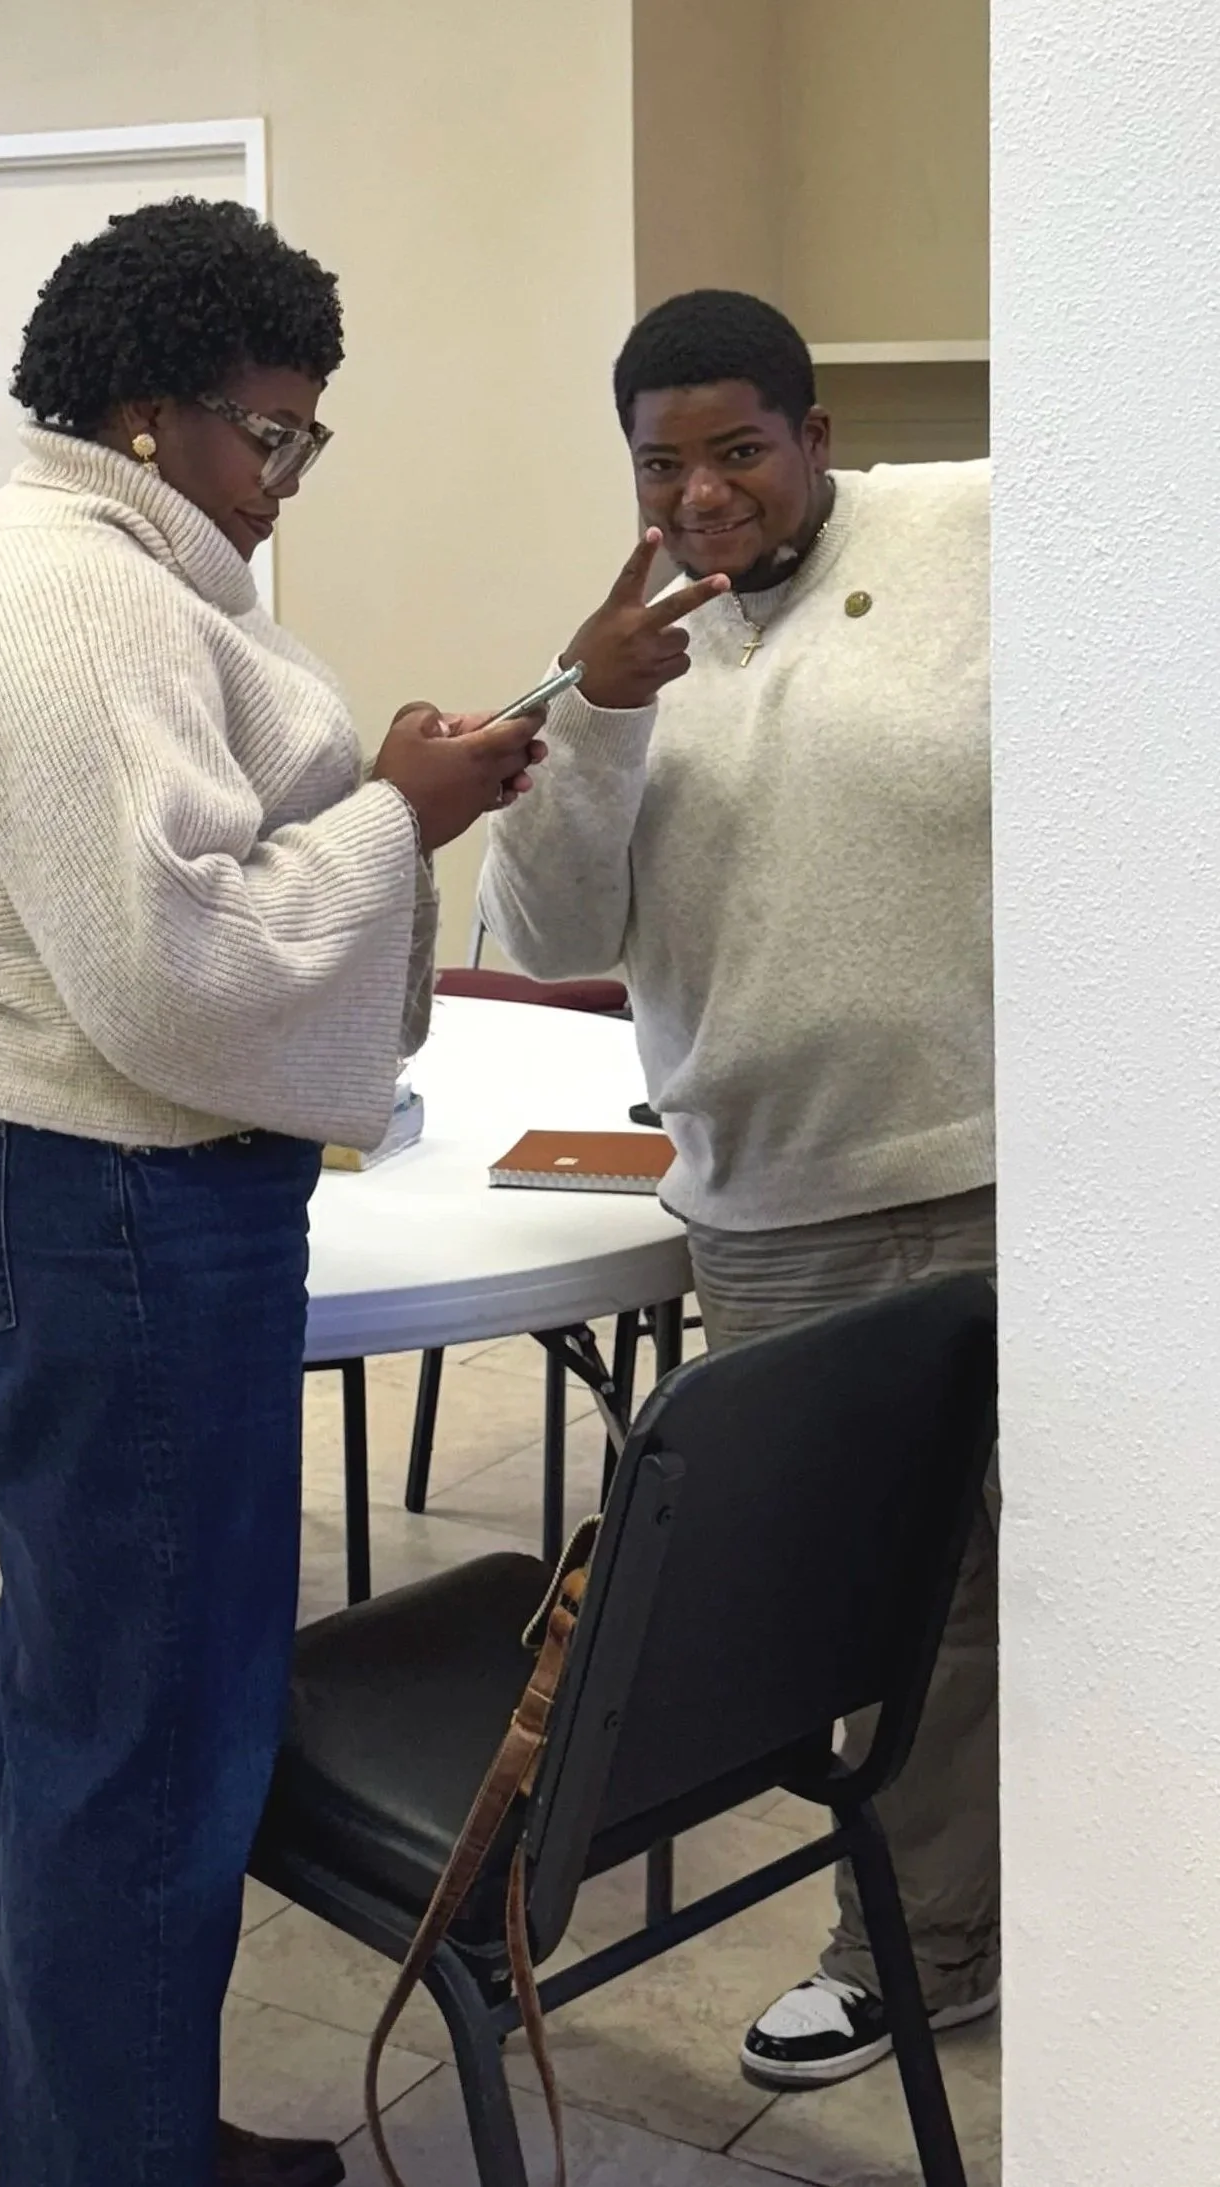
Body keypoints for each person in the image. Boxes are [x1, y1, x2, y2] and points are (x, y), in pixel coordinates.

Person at [0, 197, 544, 2187]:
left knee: (100, 1708)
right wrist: (399, 815)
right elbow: (176, 973)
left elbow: (208, 859)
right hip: (99, 1190)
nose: (288, 471)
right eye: (273, 428)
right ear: (149, 413)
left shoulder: (125, 571)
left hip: (84, 1178)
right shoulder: (76, 600)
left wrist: (383, 794)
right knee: (146, 1738)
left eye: (305, 430)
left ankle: (117, 2125)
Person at [478, 289, 996, 2089]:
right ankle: (918, 1937)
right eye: (662, 465)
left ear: (816, 436)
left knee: (1041, 1577)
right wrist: (594, 721)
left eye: (740, 452)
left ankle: (1011, 1921)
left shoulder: (978, 530)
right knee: (860, 1602)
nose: (703, 494)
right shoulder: (620, 653)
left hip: (1005, 1168)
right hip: (769, 1202)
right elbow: (548, 934)